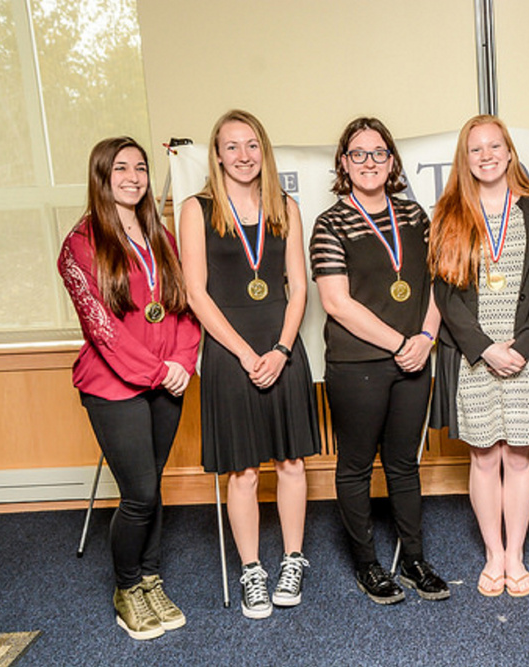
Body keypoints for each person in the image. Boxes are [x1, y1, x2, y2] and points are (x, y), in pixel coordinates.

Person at [58, 137, 200, 640]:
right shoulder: (80, 243)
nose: (134, 177)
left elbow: (184, 304)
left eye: (140, 168)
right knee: (138, 493)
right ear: (102, 175)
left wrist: (183, 360)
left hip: (169, 377)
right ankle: (126, 587)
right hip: (113, 384)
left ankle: (151, 579)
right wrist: (159, 372)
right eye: (121, 168)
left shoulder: (159, 232)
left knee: (152, 484)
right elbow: (102, 329)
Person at [180, 109, 318, 618]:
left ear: (264, 150)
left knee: (291, 462)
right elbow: (196, 293)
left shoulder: (286, 207)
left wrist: (281, 351)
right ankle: (252, 570)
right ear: (217, 155)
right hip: (228, 351)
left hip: (282, 347)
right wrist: (244, 353)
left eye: (252, 144)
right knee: (242, 471)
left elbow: (298, 287)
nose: (243, 155)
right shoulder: (198, 208)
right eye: (232, 146)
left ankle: (293, 559)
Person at [311, 117, 449, 605]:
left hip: (416, 357)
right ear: (344, 164)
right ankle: (367, 565)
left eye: (378, 153)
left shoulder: (415, 217)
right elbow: (336, 302)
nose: (369, 162)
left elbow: (439, 283)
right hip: (359, 364)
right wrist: (401, 343)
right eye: (358, 154)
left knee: (403, 464)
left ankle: (412, 558)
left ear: (392, 161)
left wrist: (427, 336)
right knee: (354, 466)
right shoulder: (330, 223)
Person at [429, 115, 529, 598]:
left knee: (520, 457)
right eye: (475, 149)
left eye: (494, 146)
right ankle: (493, 554)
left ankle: (516, 554)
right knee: (486, 458)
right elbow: (444, 293)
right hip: (474, 355)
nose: (486, 156)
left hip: (525, 354)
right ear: (464, 160)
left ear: (509, 152)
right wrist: (486, 348)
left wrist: (523, 347)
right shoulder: (448, 212)